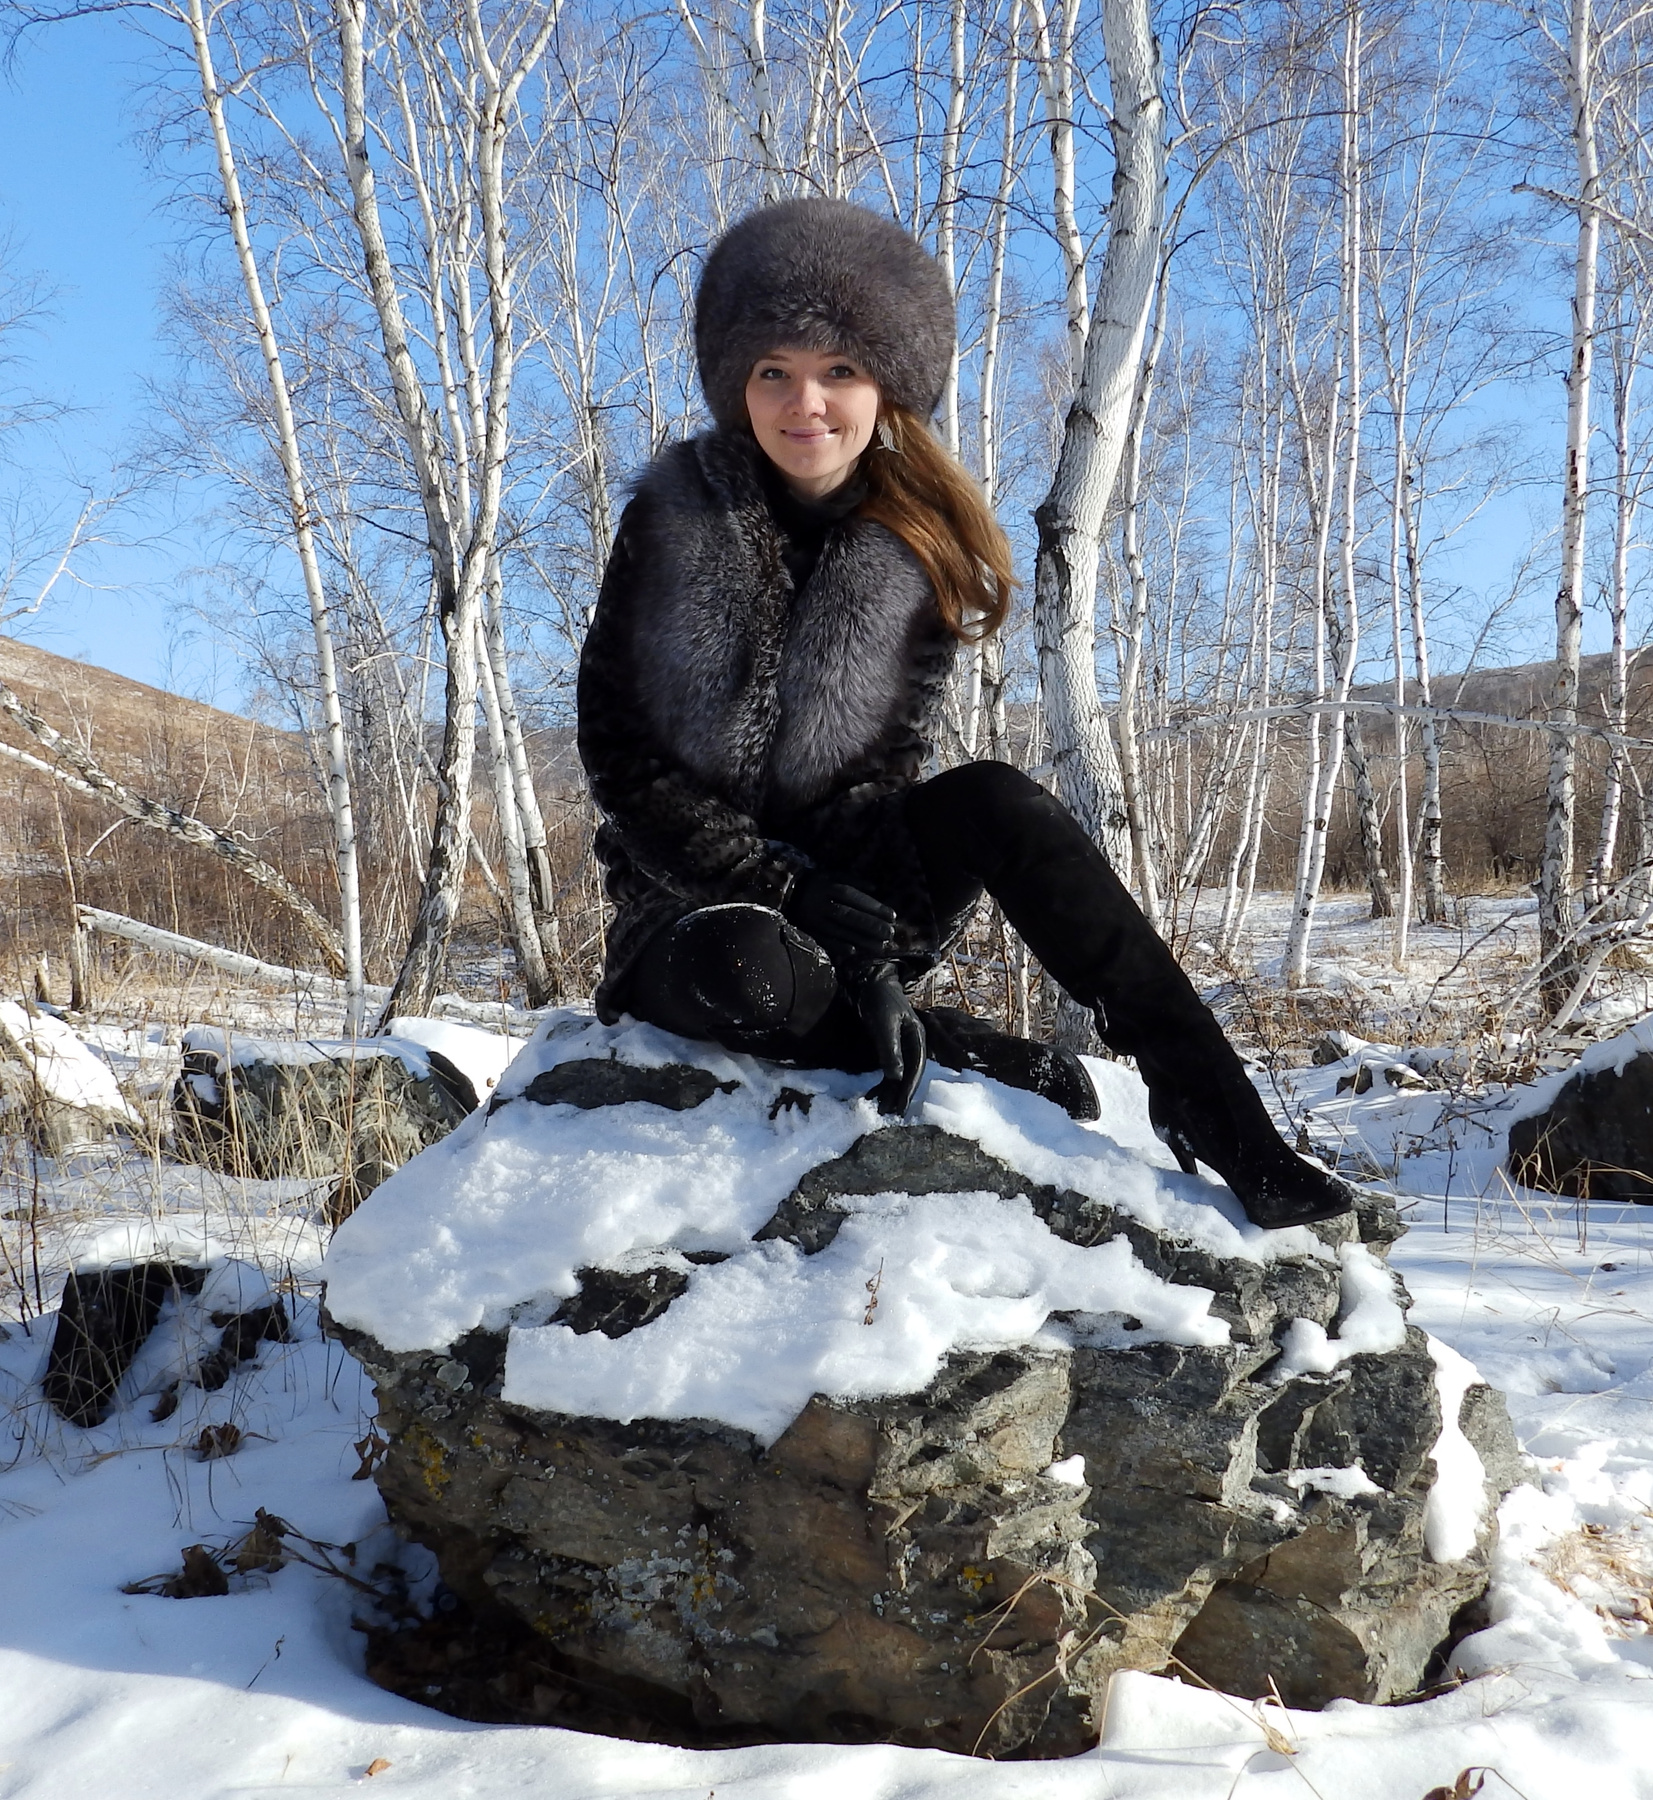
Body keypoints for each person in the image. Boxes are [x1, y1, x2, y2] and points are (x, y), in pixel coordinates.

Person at [576, 198, 1355, 1231]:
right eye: (773, 371)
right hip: (694, 909)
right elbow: (623, 763)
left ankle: (1218, 1114)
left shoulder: (913, 544)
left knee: (996, 798)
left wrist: (864, 951)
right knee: (745, 969)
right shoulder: (675, 519)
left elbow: (877, 784)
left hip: (852, 899)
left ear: (887, 384)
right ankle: (952, 1043)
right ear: (736, 384)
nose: (806, 402)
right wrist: (783, 889)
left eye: (839, 369)